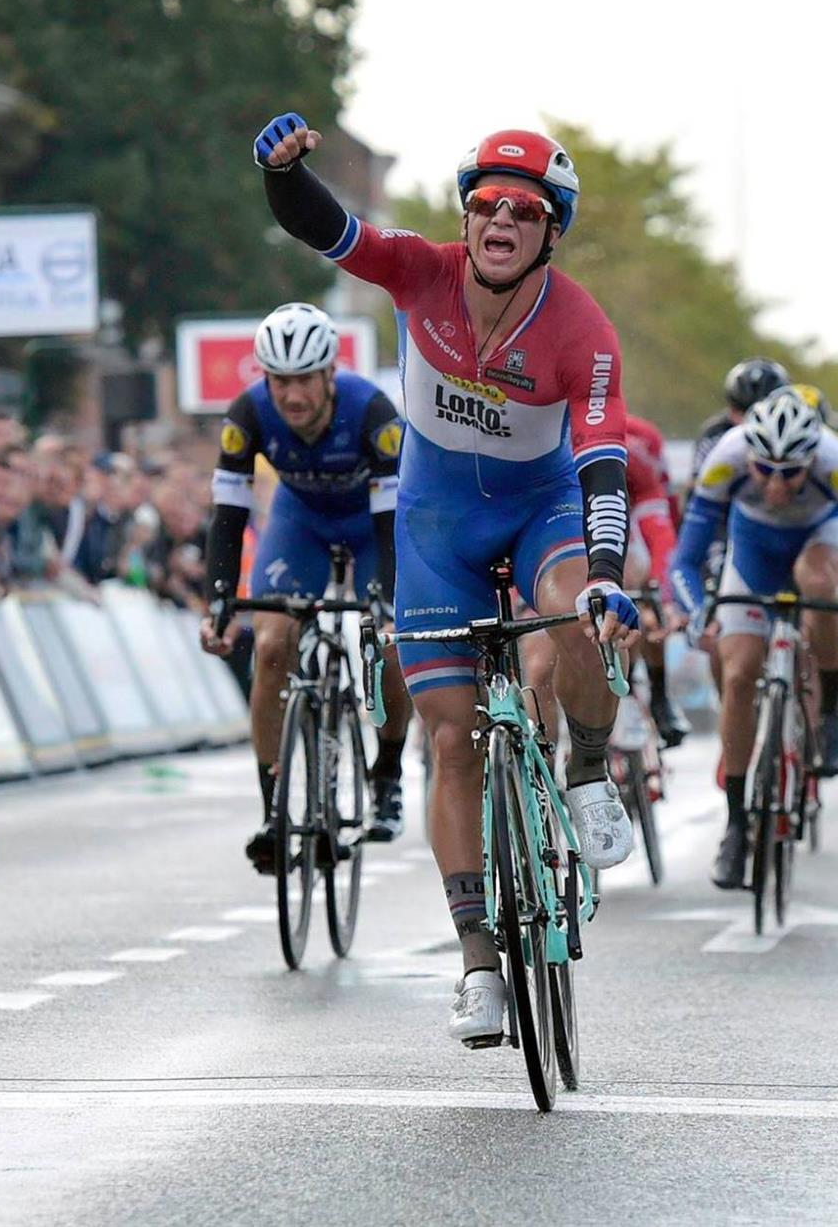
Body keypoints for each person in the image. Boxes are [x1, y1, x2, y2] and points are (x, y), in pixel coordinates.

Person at [254, 112, 641, 1045]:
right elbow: (330, 230)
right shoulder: (417, 272)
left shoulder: (581, 327)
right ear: (465, 218)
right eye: (484, 204)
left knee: (578, 618)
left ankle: (587, 771)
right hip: (434, 531)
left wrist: (602, 574)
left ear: (552, 230)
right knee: (451, 738)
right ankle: (477, 962)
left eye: (523, 209)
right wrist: (281, 175)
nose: (499, 220)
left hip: (540, 509)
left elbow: (600, 462)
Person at [670, 390, 838, 889]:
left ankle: (828, 716)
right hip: (753, 553)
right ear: (748, 458)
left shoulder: (834, 461)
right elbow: (684, 560)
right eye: (765, 471)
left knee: (821, 586)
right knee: (737, 675)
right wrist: (698, 615)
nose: (777, 484)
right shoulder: (725, 460)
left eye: (791, 474)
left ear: (812, 461)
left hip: (819, 543)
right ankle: (737, 827)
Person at [200, 302, 415, 854]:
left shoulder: (373, 413)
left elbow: (393, 520)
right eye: (279, 382)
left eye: (303, 381)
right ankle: (273, 808)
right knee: (271, 645)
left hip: (375, 526)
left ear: (328, 375)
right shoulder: (247, 415)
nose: (291, 396)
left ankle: (387, 774)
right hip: (301, 523)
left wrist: (387, 603)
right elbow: (229, 516)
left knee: (392, 647)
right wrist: (219, 603)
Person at [623, 411, 687, 745]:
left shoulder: (640, 441)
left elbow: (661, 530)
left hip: (629, 521)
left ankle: (659, 694)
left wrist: (661, 596)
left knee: (640, 589)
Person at [692, 358, 791, 488]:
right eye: (743, 412)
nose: (753, 422)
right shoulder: (714, 434)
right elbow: (697, 490)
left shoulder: (798, 433)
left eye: (768, 412)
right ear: (731, 408)